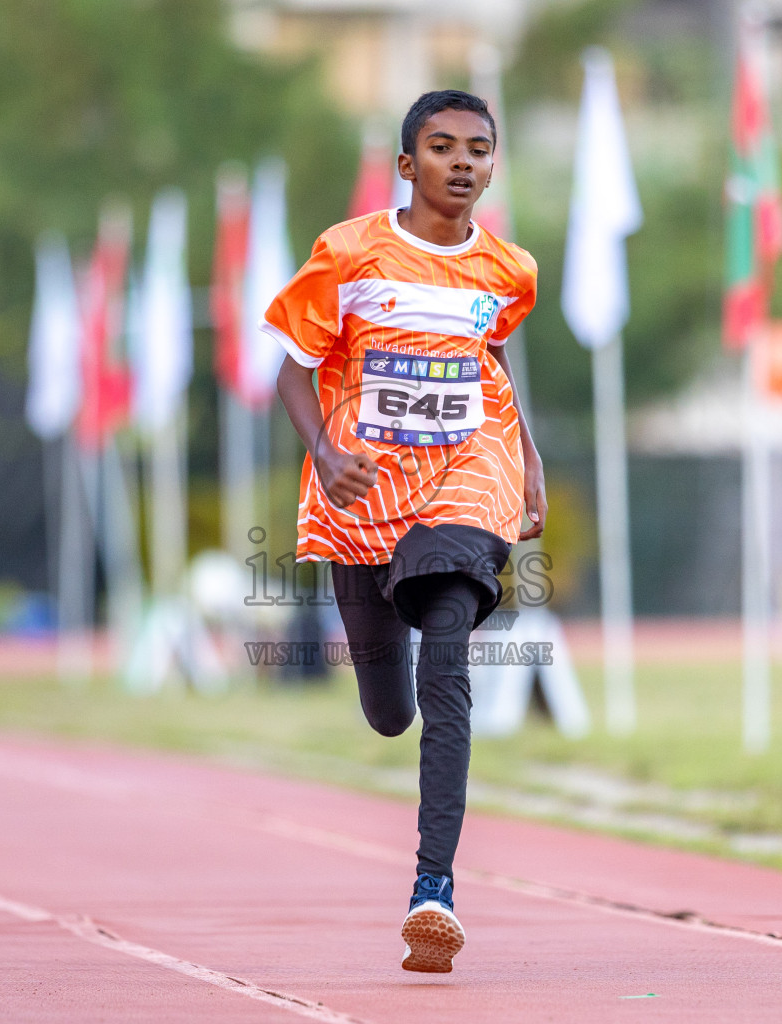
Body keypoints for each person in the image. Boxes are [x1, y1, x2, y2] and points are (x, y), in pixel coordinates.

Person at [265, 89, 545, 973]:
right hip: (364, 493)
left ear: (492, 165)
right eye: (443, 146)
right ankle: (388, 678)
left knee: (451, 655)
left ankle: (434, 889)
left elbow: (489, 358)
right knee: (391, 712)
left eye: (479, 149)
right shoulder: (348, 255)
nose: (463, 163)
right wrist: (324, 450)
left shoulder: (509, 269)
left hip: (467, 475)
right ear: (407, 164)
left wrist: (528, 460)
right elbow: (292, 373)